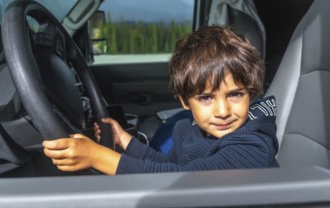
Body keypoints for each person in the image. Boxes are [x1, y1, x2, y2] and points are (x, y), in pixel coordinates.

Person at [43, 25, 279, 175]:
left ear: (251, 92)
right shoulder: (190, 129)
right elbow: (169, 165)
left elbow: (183, 180)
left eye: (235, 94)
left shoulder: (251, 145)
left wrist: (97, 157)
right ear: (185, 102)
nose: (223, 110)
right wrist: (125, 141)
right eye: (206, 97)